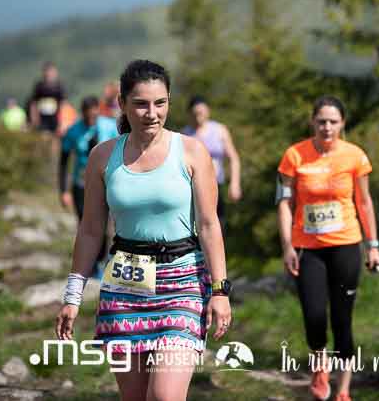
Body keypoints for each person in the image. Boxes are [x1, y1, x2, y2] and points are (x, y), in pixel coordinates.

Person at [55, 60, 231, 401]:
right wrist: (73, 297)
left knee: (164, 396)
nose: (152, 113)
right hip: (125, 284)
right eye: (141, 104)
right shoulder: (103, 157)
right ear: (122, 104)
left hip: (182, 281)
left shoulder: (192, 152)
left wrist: (220, 291)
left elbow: (210, 225)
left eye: (160, 103)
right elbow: (90, 229)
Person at [276, 96, 379, 401]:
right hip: (307, 248)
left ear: (342, 123)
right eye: (321, 121)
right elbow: (283, 203)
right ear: (313, 122)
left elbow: (364, 202)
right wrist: (287, 246)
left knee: (342, 319)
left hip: (346, 245)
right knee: (314, 316)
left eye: (333, 121)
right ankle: (320, 368)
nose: (327, 127)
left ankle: (344, 390)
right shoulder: (294, 155)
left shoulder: (355, 156)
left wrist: (373, 246)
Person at [59, 96, 118, 275]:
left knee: (106, 227)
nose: (91, 118)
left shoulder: (109, 126)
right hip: (81, 185)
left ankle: (101, 263)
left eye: (94, 115)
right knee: (85, 225)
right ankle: (88, 265)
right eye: (88, 115)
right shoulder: (73, 131)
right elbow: (63, 161)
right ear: (83, 113)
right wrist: (63, 190)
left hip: (106, 183)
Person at [182, 96, 241, 232]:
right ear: (189, 114)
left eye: (201, 113)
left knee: (218, 224)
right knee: (198, 225)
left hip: (216, 184)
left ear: (208, 111)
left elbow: (233, 158)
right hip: (193, 188)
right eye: (195, 114)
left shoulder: (219, 130)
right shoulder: (185, 134)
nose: (198, 117)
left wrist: (234, 183)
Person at [28, 61, 67, 134]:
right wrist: (34, 118)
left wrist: (63, 121)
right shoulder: (39, 86)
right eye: (47, 71)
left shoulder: (59, 86)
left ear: (55, 73)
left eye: (51, 72)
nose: (49, 74)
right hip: (42, 119)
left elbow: (63, 104)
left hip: (55, 118)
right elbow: (33, 103)